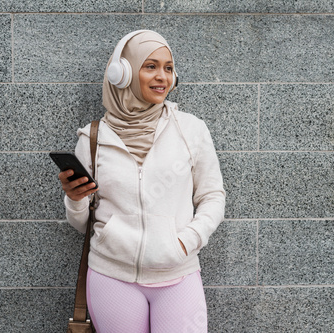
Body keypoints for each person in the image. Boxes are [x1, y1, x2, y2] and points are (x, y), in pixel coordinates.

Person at [58, 30, 226, 332]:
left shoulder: (191, 130)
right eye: (150, 66)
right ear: (122, 73)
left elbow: (213, 196)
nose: (162, 77)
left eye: (168, 68)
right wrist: (74, 198)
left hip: (178, 273)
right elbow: (82, 222)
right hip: (112, 276)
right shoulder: (93, 138)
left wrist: (185, 243)